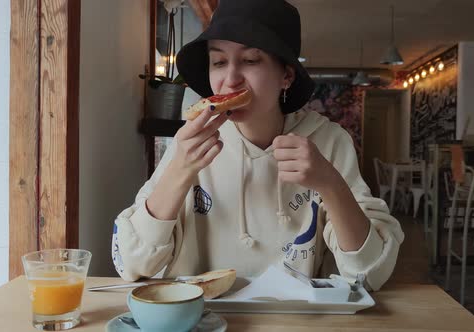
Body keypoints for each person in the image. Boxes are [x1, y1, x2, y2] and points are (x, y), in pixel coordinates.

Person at [112, 0, 404, 291]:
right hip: (204, 317)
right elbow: (132, 264)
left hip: (299, 319)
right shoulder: (190, 143)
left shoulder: (329, 141)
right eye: (219, 62)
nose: (230, 79)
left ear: (286, 75)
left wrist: (330, 183)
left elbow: (369, 272)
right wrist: (179, 170)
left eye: (251, 61)